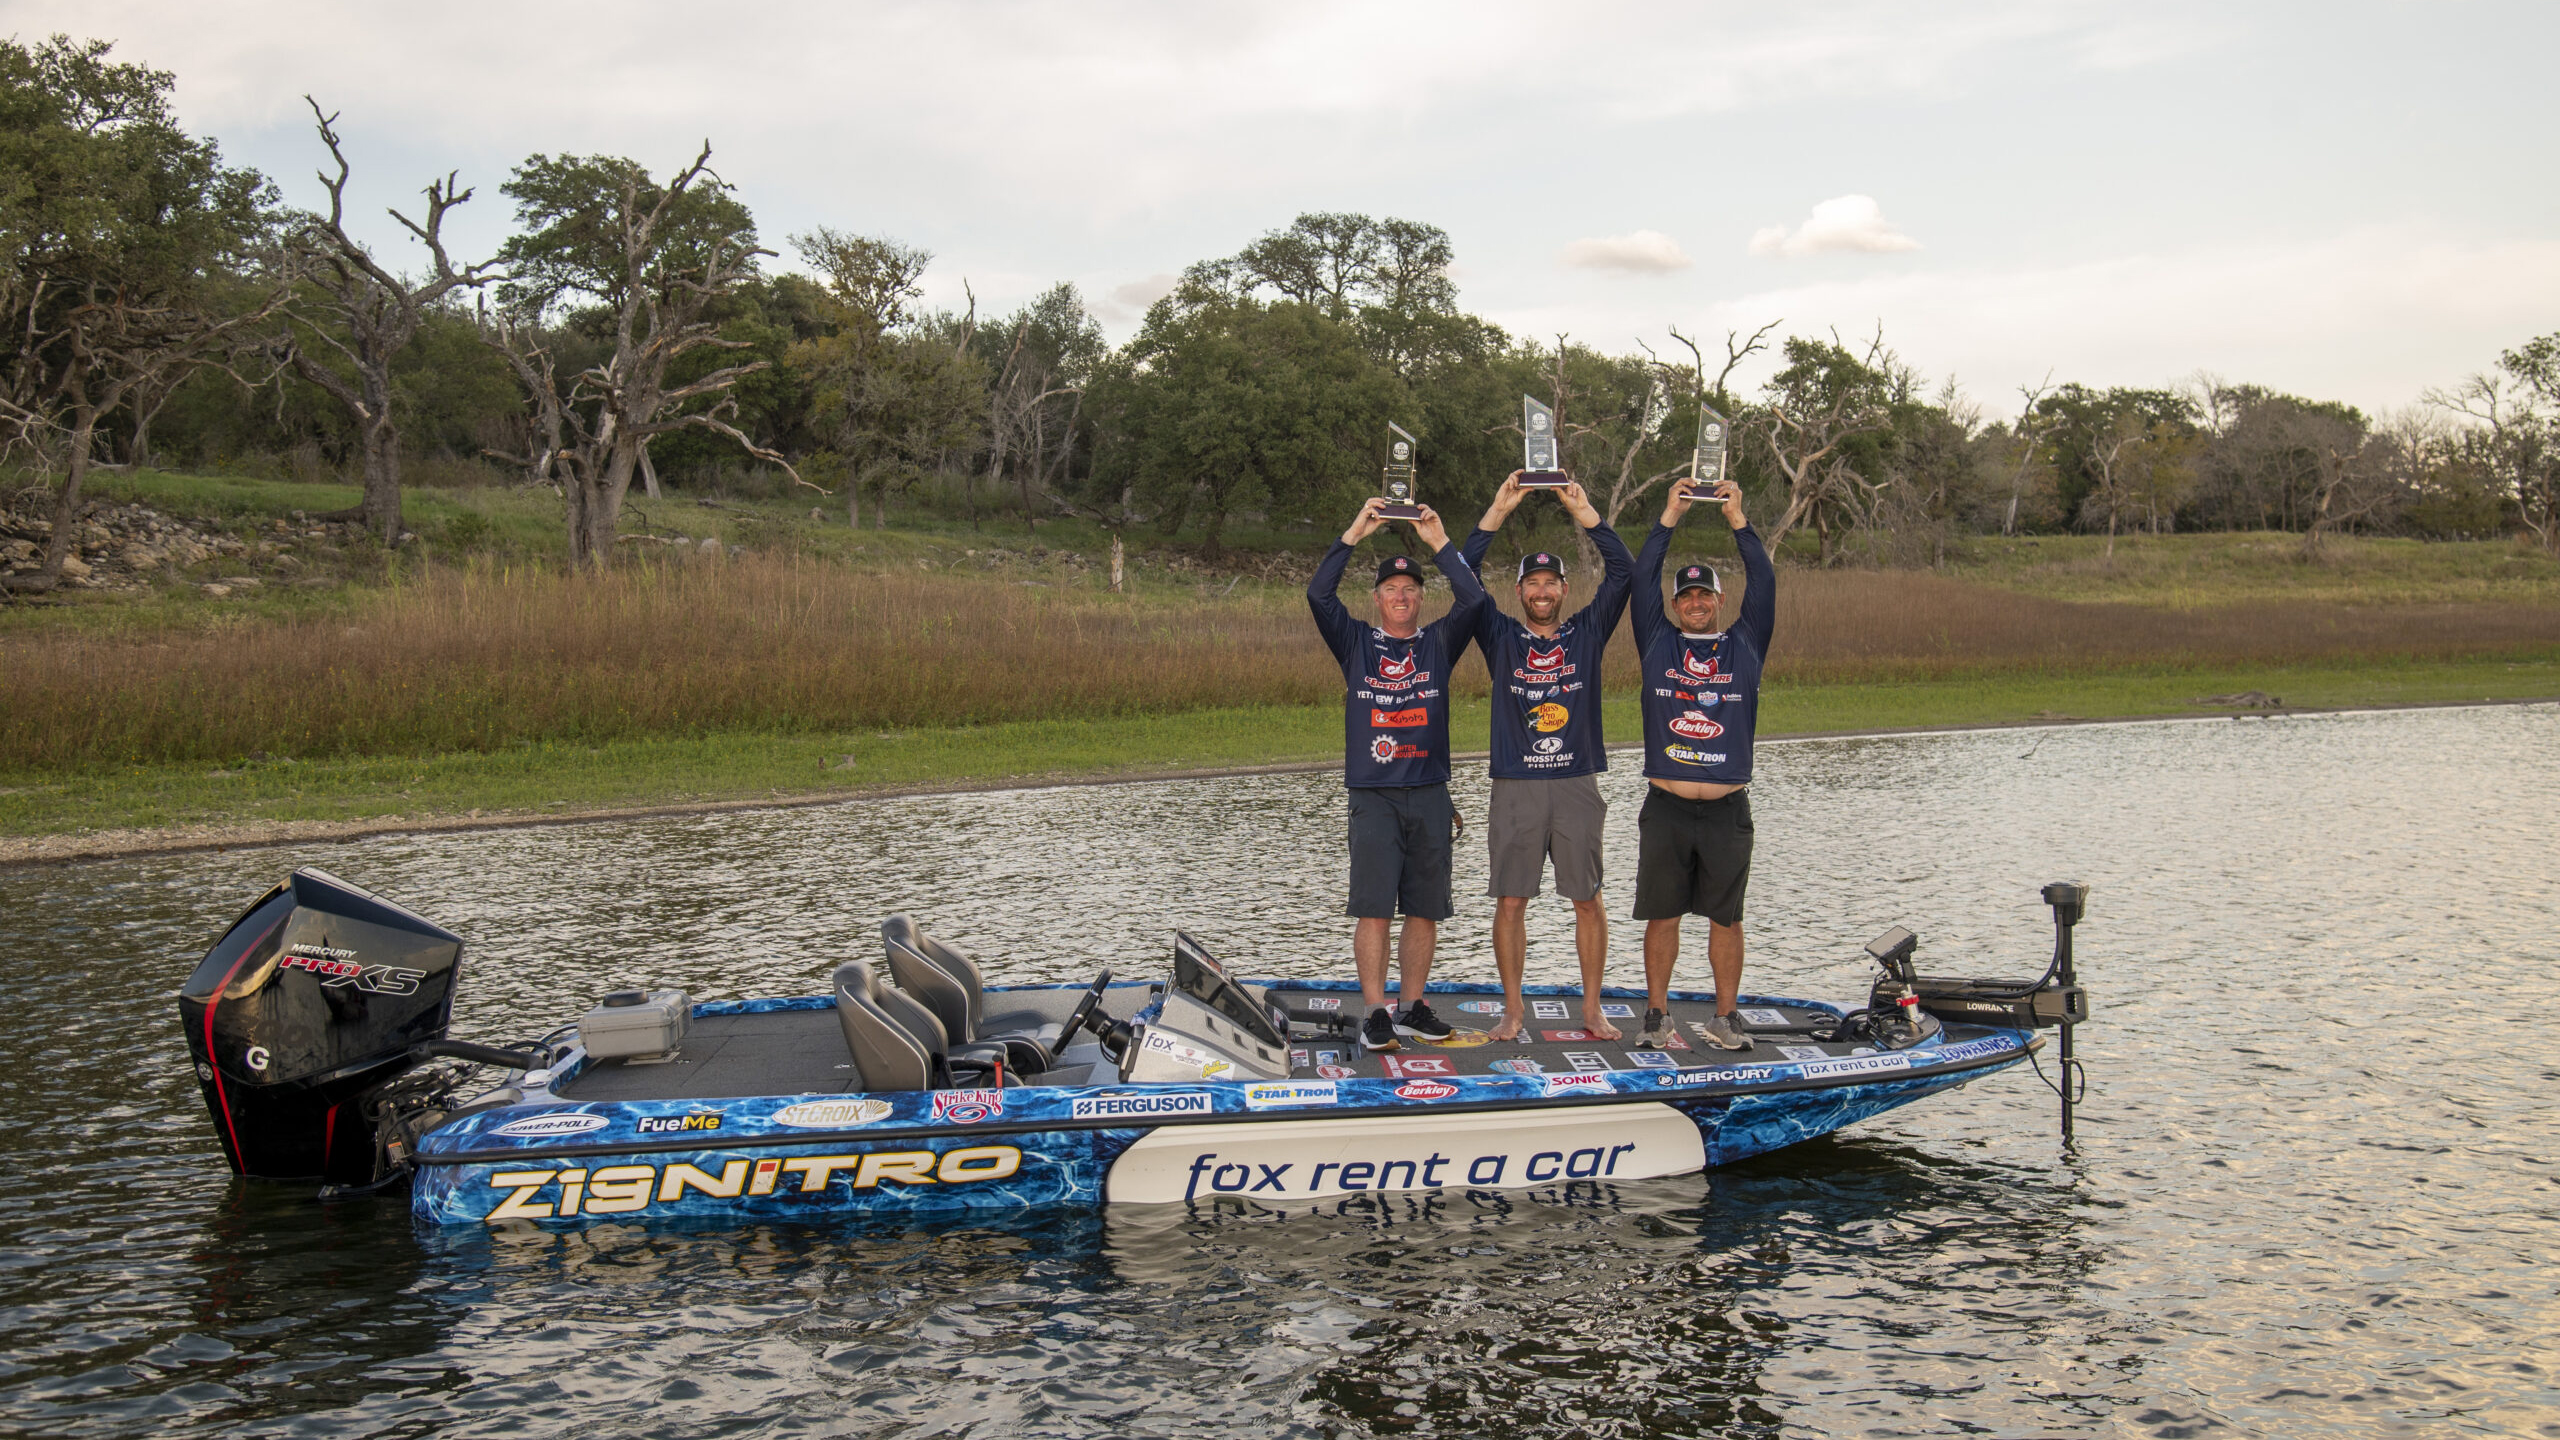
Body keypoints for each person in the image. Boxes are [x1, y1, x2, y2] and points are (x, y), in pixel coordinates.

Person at [1306, 497, 1490, 1053]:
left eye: (1411, 589)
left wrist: (1438, 541)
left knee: (1426, 907)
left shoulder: (1438, 642)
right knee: (1374, 906)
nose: (1402, 597)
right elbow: (1318, 594)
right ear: (1379, 597)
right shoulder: (1356, 641)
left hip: (1430, 792)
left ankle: (1412, 1007)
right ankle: (1376, 1012)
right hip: (1374, 794)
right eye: (1392, 589)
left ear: (1420, 597)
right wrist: (1355, 532)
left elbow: (1476, 598)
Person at [1458, 475, 1636, 1042]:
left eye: (1550, 583)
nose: (1541, 591)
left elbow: (1626, 573)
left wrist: (1584, 510)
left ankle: (1591, 1009)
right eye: (1531, 583)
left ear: (1564, 589)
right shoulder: (1500, 635)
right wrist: (1497, 508)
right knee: (1511, 900)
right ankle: (1513, 1009)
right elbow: (1462, 578)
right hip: (1516, 784)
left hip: (1577, 781)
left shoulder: (1586, 632)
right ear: (1519, 592)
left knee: (1588, 898)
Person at [1627, 476, 1774, 1051]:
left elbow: (1764, 580)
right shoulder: (1657, 643)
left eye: (1704, 595)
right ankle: (1657, 1017)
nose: (1694, 603)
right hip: (1665, 808)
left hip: (1725, 811)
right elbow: (1641, 578)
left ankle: (1726, 1017)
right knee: (1661, 916)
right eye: (1685, 595)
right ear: (1674, 605)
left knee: (1725, 918)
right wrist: (1669, 515)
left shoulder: (1745, 645)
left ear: (1718, 602)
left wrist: (1738, 518)